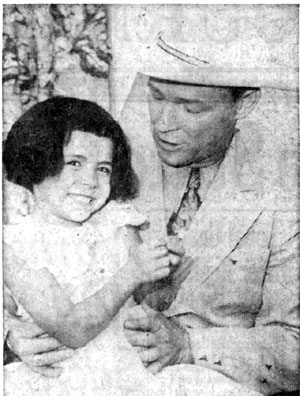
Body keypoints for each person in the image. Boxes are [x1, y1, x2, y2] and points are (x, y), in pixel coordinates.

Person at [6, 6, 299, 396]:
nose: (162, 122)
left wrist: (192, 345)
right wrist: (12, 334)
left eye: (191, 107)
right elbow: (39, 258)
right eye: (156, 97)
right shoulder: (108, 157)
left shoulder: (284, 192)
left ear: (243, 105)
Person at [2, 96, 196, 396]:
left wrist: (165, 274)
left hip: (132, 371)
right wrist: (131, 273)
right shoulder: (19, 246)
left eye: (103, 168)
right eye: (75, 163)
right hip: (64, 379)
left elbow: (149, 304)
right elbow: (71, 329)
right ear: (36, 161)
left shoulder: (117, 223)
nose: (90, 181)